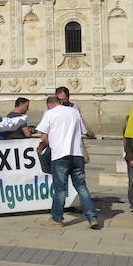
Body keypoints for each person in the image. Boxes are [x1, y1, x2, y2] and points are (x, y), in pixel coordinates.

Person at [36, 95, 99, 229]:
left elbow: (44, 137)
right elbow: (84, 131)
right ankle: (92, 217)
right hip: (77, 154)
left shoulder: (50, 113)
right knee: (81, 187)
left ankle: (57, 219)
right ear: (59, 102)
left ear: (49, 105)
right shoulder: (74, 112)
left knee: (60, 190)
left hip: (60, 155)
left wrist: (47, 145)